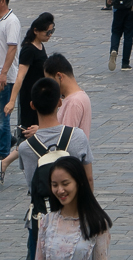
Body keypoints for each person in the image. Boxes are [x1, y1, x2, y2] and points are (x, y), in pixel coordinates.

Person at [18, 77, 93, 258]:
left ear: (32, 105)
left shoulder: (25, 149)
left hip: (41, 219)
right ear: (60, 102)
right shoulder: (78, 136)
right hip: (76, 216)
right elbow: (88, 179)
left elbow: (31, 185)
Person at [37, 156, 111, 260]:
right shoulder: (47, 221)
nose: (60, 190)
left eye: (65, 184)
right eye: (55, 185)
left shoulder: (96, 224)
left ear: (79, 182)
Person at [42, 56, 90, 138]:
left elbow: (65, 139)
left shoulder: (73, 103)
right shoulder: (80, 96)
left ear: (59, 76)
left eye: (50, 80)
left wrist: (42, 133)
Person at [0, 0, 21, 162]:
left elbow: (12, 48)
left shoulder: (11, 21)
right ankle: (9, 141)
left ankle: (3, 155)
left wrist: (3, 73)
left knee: (3, 117)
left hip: (5, 77)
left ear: (2, 1)